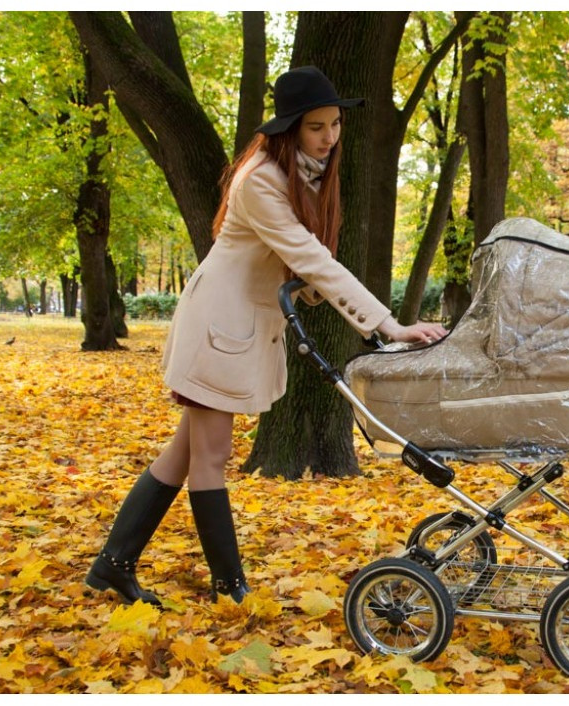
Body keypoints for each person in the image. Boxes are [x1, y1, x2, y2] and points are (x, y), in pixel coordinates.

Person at [85, 66, 447, 606]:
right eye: (316, 127)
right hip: (219, 325)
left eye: (334, 124)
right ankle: (230, 589)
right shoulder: (261, 180)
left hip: (237, 322)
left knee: (184, 453)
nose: (329, 137)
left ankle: (112, 565)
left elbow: (305, 263)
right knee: (210, 457)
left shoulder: (301, 173)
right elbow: (311, 258)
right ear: (289, 130)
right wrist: (387, 324)